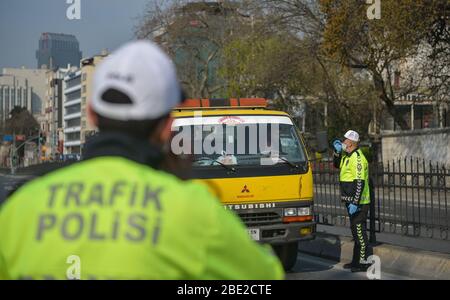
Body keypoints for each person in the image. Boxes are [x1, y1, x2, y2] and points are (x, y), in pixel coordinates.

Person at [0, 41, 284, 280]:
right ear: (166, 126)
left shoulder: (21, 207)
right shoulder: (193, 211)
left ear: (91, 114)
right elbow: (266, 278)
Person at [332, 130, 371, 272]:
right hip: (350, 201)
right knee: (355, 232)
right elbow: (336, 165)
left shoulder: (358, 158)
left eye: (344, 140)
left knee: (360, 233)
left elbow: (360, 182)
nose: (342, 141)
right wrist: (336, 152)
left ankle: (363, 263)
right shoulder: (346, 155)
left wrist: (355, 202)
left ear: (350, 142)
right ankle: (356, 262)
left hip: (359, 202)